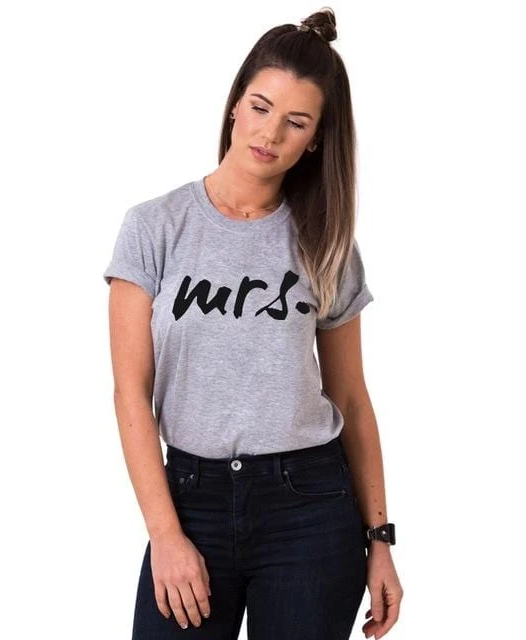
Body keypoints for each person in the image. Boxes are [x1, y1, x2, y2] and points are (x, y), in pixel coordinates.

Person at [102, 7, 403, 639]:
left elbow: (351, 396)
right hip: (191, 501)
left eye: (297, 122)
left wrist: (380, 539)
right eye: (261, 107)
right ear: (236, 103)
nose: (271, 133)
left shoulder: (327, 243)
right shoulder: (154, 228)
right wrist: (165, 535)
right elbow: (130, 392)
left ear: (316, 138)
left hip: (310, 509)